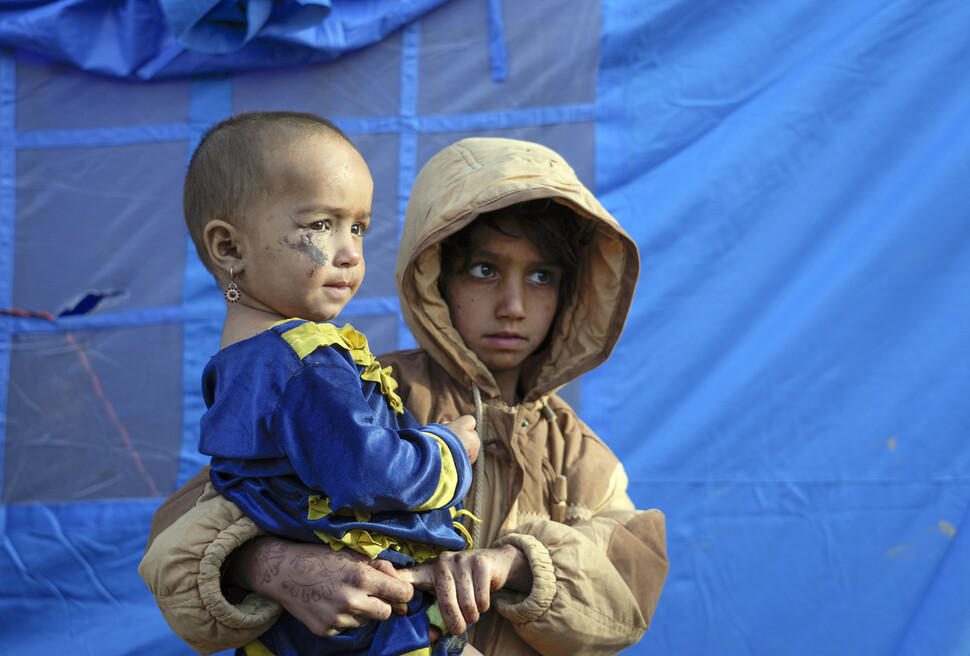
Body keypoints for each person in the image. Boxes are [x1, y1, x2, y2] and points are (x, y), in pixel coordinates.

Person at [140, 135, 669, 655]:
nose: (513, 305)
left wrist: (515, 563)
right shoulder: (355, 394)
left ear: (569, 293)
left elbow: (630, 593)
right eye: (484, 270)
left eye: (541, 276)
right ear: (437, 279)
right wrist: (274, 568)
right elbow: (173, 545)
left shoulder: (576, 452)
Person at [176, 110, 484, 656]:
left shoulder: (236, 366)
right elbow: (374, 473)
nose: (350, 252)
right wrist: (450, 450)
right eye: (320, 224)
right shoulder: (306, 363)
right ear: (229, 248)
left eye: (358, 227)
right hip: (375, 632)